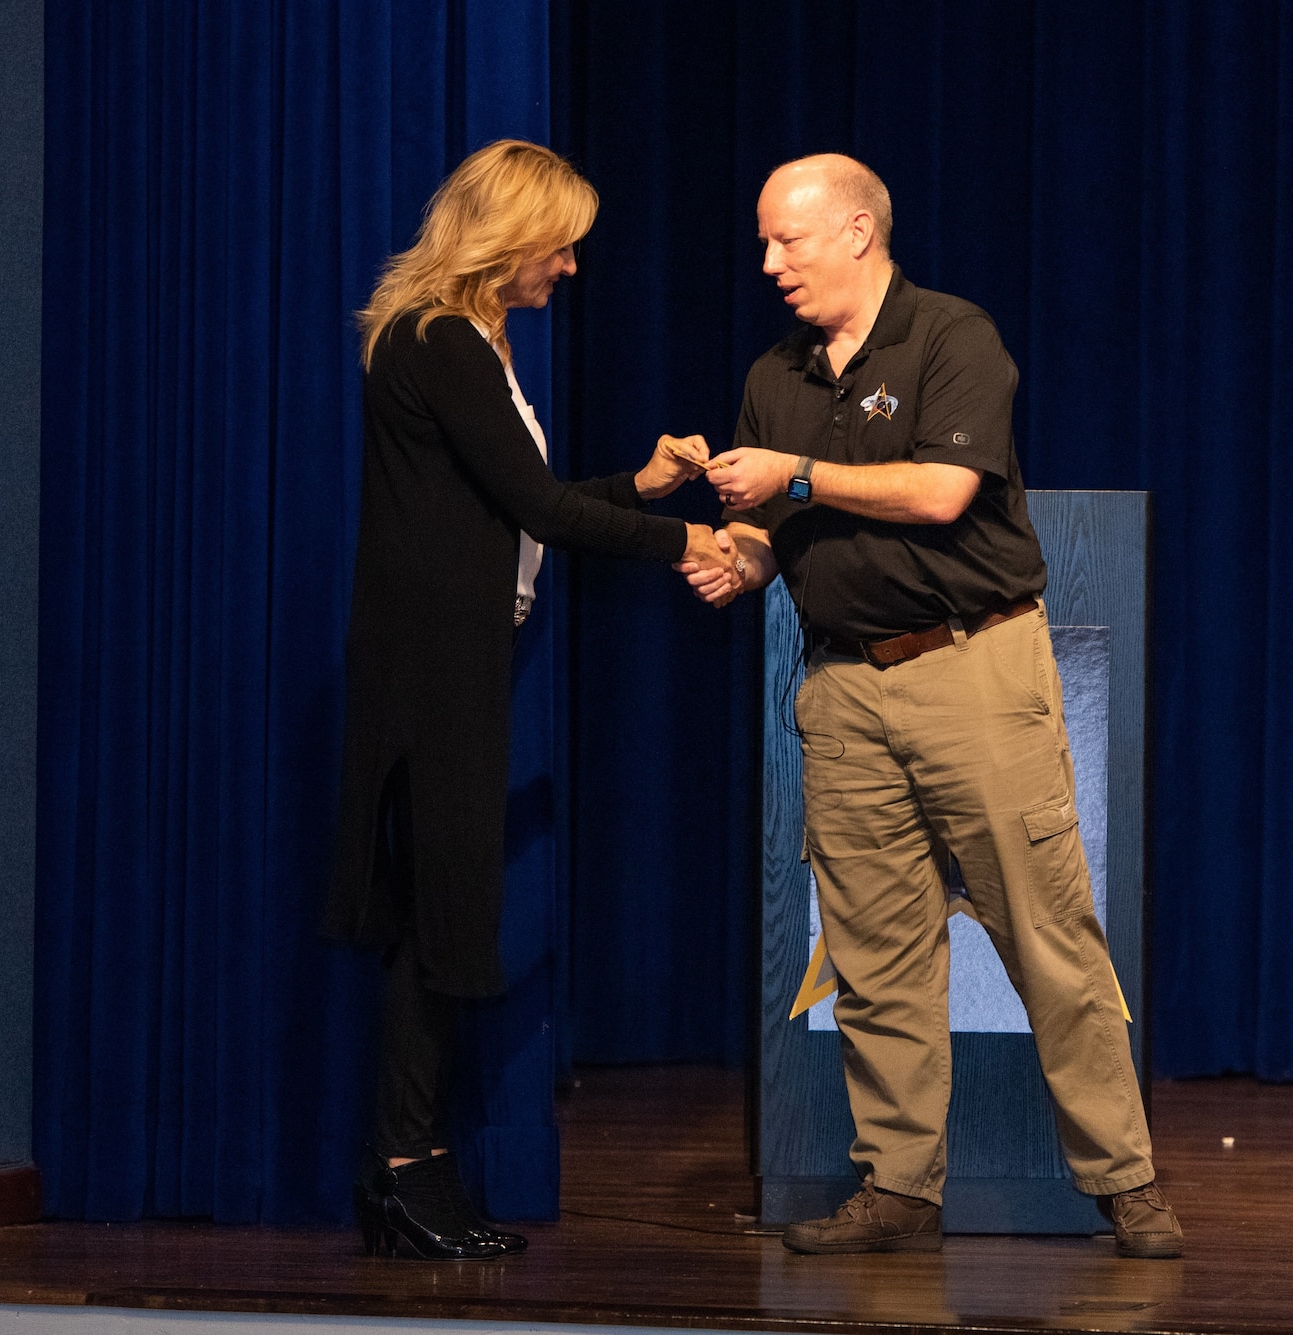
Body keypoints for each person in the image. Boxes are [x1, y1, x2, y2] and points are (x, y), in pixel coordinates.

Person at [682, 154, 1183, 1259]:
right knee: (872, 957)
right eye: (763, 244)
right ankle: (897, 1187)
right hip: (842, 689)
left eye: (788, 241)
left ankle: (1126, 1183)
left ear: (857, 231)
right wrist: (733, 558)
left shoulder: (950, 337)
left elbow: (940, 491)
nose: (769, 264)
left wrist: (793, 478)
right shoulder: (775, 375)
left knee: (1046, 935)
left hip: (971, 672)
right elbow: (775, 535)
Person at [326, 139, 732, 1262]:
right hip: (430, 672)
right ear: (510, 237)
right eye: (560, 244)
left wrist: (638, 490)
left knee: (435, 919)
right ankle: (408, 1170)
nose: (567, 267)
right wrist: (690, 535)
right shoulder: (442, 341)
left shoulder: (458, 342)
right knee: (440, 920)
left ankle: (399, 1169)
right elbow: (537, 514)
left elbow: (517, 506)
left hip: (442, 663)